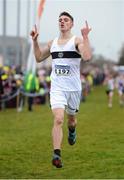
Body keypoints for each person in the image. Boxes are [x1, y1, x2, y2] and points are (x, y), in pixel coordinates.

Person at [30, 11, 92, 168]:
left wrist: (85, 37)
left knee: (71, 121)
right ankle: (56, 154)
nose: (62, 22)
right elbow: (38, 58)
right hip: (57, 88)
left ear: (71, 24)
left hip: (73, 89)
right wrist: (35, 41)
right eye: (60, 20)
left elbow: (86, 56)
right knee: (58, 119)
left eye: (66, 20)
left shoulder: (76, 40)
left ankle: (72, 131)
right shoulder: (52, 43)